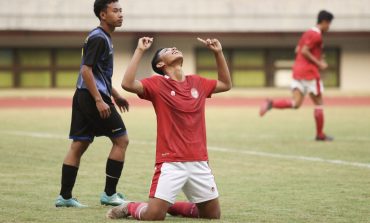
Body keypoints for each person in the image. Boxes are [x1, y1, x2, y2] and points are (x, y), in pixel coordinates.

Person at [106, 36, 232, 220]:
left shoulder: (197, 82)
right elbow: (127, 84)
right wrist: (140, 50)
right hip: (171, 162)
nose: (173, 47)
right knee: (154, 215)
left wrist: (218, 53)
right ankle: (131, 207)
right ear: (160, 64)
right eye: (166, 50)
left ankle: (171, 206)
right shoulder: (157, 85)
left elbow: (226, 84)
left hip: (199, 161)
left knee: (212, 215)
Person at [55, 0, 130, 208]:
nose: (120, 14)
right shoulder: (99, 38)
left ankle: (65, 197)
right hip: (91, 97)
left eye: (121, 10)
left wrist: (115, 95)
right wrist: (99, 100)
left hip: (82, 95)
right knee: (121, 140)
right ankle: (109, 194)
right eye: (115, 11)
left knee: (79, 144)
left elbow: (98, 73)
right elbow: (86, 71)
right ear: (102, 15)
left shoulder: (101, 36)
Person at [259, 10, 334, 141]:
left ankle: (271, 103)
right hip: (309, 73)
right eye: (329, 24)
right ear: (324, 22)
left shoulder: (307, 33)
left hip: (298, 72)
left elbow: (298, 50)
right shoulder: (317, 35)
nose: (329, 27)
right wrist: (319, 63)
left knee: (296, 103)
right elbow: (305, 51)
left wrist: (317, 57)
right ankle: (320, 134)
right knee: (319, 104)